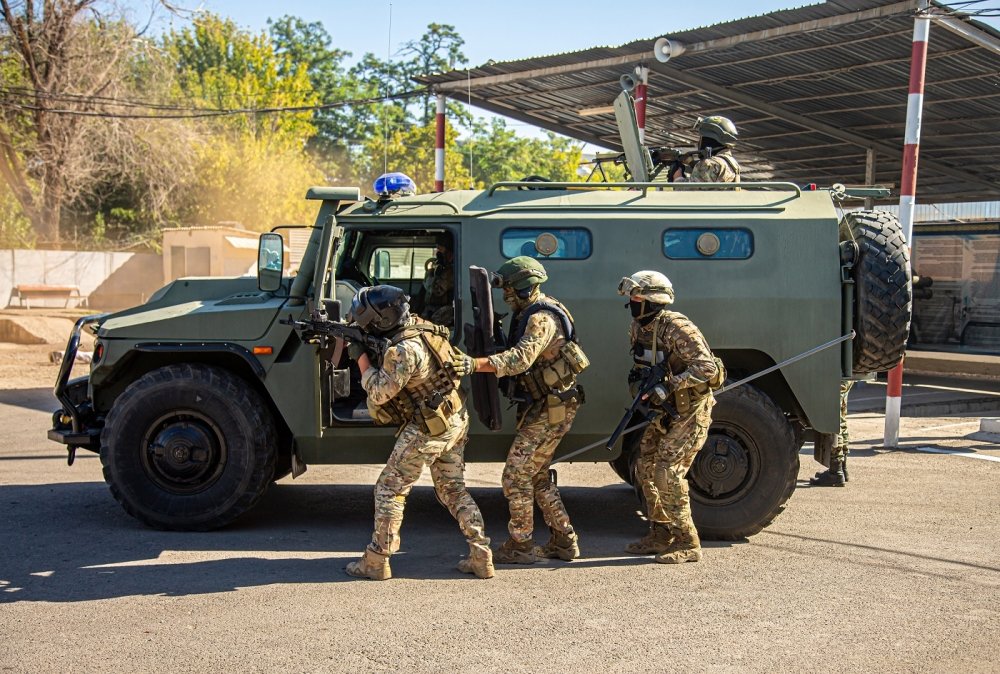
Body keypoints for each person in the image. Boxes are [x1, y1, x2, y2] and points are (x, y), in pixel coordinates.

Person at [343, 285, 493, 580]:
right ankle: (481, 555)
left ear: (383, 319)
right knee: (452, 489)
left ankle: (376, 561)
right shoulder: (424, 327)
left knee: (389, 488)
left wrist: (360, 358)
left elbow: (379, 393)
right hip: (454, 418)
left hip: (430, 427)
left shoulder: (403, 350)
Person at [469, 256, 589, 564]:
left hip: (551, 409)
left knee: (514, 475)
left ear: (523, 288)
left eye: (509, 289)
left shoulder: (541, 319)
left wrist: (476, 365)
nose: (506, 295)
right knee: (535, 477)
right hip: (546, 406)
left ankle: (520, 544)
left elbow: (520, 360)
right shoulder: (529, 311)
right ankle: (564, 540)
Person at [618, 270, 721, 564]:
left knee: (667, 470)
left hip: (691, 410)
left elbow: (707, 368)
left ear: (652, 301)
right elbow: (641, 365)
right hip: (665, 410)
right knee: (644, 464)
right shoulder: (639, 328)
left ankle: (688, 541)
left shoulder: (677, 328)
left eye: (636, 298)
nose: (631, 304)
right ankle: (661, 533)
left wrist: (670, 385)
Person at [810, 381, 854, 487]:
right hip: (846, 376)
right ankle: (842, 468)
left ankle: (836, 472)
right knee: (841, 418)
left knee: (835, 420)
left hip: (838, 375)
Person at [673, 115, 741, 184]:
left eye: (701, 137)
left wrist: (678, 178)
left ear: (708, 139)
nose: (699, 142)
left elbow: (689, 191)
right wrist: (692, 163)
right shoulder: (732, 163)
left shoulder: (709, 164)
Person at [420, 234, 455, 327]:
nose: (437, 252)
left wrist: (431, 276)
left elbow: (437, 291)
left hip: (445, 311)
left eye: (440, 249)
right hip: (433, 307)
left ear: (449, 252)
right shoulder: (442, 267)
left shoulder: (451, 270)